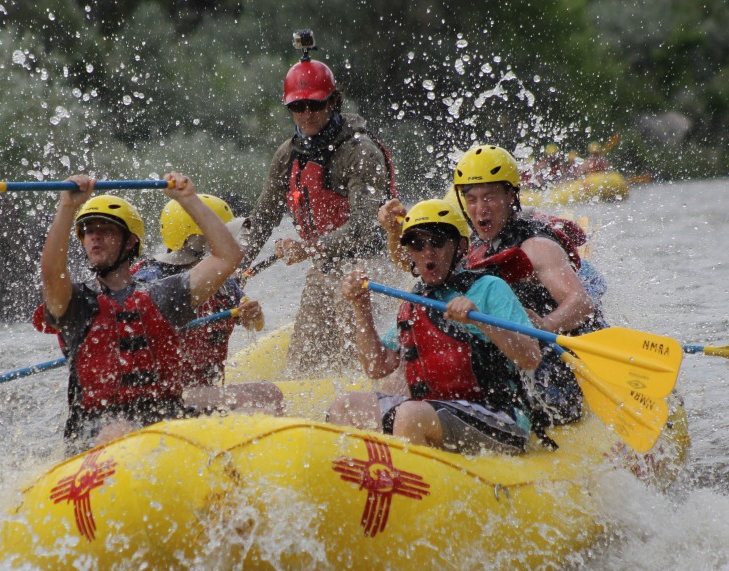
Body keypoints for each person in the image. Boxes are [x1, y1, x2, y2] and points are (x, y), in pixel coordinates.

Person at [39, 172, 243, 447]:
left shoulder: (162, 295)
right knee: (121, 430)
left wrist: (188, 199)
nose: (95, 238)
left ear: (131, 242)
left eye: (106, 230)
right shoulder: (75, 303)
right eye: (89, 232)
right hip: (96, 432)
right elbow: (52, 274)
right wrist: (67, 208)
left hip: (167, 419)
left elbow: (227, 257)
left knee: (267, 395)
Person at [327, 199, 541, 454]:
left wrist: (481, 322)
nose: (428, 252)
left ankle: (414, 487)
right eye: (417, 244)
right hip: (435, 411)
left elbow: (531, 357)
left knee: (409, 416)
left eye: (438, 242)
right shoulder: (415, 301)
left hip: (499, 418)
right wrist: (361, 307)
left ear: (460, 246)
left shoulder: (489, 288)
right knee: (344, 406)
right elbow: (377, 366)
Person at [238, 37, 399, 376]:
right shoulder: (287, 154)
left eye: (315, 104)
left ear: (334, 102)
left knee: (357, 358)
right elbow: (262, 218)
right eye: (298, 107)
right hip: (324, 264)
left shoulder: (360, 152)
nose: (307, 114)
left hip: (369, 264)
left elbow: (363, 228)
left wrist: (307, 248)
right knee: (302, 365)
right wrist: (235, 275)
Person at [449, 144, 607, 427]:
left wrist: (545, 325)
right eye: (471, 199)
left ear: (511, 195)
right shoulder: (475, 245)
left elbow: (581, 303)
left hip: (562, 355)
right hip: (516, 351)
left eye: (489, 197)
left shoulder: (536, 246)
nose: (479, 210)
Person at [132, 194, 284, 416]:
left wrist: (252, 315)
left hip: (206, 391)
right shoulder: (151, 279)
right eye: (221, 237)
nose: (231, 244)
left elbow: (256, 324)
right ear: (195, 241)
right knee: (254, 399)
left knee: (271, 393)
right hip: (164, 397)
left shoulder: (222, 282)